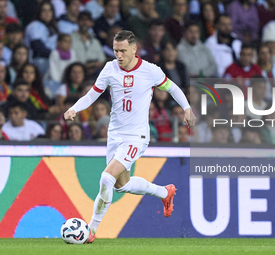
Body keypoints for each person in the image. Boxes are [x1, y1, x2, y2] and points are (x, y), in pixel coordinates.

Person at [64, 30, 195, 242]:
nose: (119, 55)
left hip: (137, 137)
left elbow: (172, 88)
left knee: (106, 177)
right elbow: (92, 94)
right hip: (114, 136)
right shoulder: (109, 68)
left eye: (123, 51)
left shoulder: (150, 71)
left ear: (135, 49)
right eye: (116, 50)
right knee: (120, 185)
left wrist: (187, 108)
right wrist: (74, 109)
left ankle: (91, 230)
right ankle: (165, 193)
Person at [24, 1, 59, 75]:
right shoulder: (35, 25)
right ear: (39, 12)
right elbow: (38, 48)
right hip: (38, 61)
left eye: (50, 10)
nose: (47, 13)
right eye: (44, 10)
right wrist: (56, 55)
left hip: (52, 60)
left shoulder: (53, 28)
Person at [71, 11, 106, 77]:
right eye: (82, 20)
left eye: (87, 20)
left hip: (95, 74)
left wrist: (94, 65)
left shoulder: (95, 41)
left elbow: (102, 60)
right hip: (77, 74)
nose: (85, 23)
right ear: (77, 21)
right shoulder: (71, 39)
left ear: (91, 23)